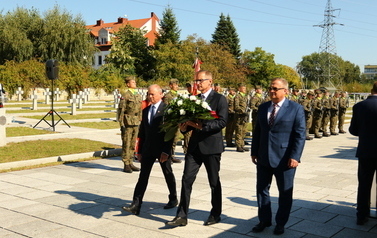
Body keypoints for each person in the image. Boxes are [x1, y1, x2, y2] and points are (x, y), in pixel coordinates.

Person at [166, 70, 228, 227]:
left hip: (211, 147)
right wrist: (184, 126)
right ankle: (181, 215)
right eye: (196, 81)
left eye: (201, 80)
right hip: (194, 148)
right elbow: (189, 124)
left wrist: (202, 126)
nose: (198, 84)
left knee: (214, 181)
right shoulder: (193, 100)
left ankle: (215, 213)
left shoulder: (219, 99)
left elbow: (222, 122)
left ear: (210, 81)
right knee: (186, 180)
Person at [251, 77, 306, 235]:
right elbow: (258, 132)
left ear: (285, 91)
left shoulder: (295, 108)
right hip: (263, 157)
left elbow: (300, 134)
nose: (272, 91)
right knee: (262, 190)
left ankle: (281, 223)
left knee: (285, 192)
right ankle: (264, 220)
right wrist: (254, 151)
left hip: (285, 158)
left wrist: (295, 156)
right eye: (271, 88)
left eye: (275, 88)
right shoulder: (263, 108)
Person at [122, 84, 178, 215]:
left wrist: (166, 151)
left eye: (152, 94)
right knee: (143, 176)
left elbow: (170, 134)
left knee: (167, 173)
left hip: (162, 149)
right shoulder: (146, 110)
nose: (150, 96)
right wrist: (139, 151)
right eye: (148, 94)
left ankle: (173, 198)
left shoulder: (167, 110)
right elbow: (142, 132)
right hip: (148, 149)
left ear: (161, 94)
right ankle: (136, 203)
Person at [349, 82, 377, 225]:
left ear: (372, 90)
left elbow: (353, 130)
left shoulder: (359, 106)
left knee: (364, 184)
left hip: (366, 151)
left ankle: (361, 215)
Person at [118, 78, 141, 173]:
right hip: (127, 122)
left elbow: (140, 110)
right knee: (126, 143)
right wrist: (121, 123)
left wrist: (140, 120)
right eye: (132, 82)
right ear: (128, 84)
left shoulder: (138, 95)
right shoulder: (126, 95)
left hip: (136, 122)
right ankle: (126, 164)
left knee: (132, 143)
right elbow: (121, 110)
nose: (135, 83)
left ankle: (131, 161)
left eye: (135, 82)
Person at [163, 79, 182, 163]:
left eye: (177, 85)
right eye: (175, 85)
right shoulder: (167, 96)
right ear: (170, 86)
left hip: (177, 120)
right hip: (170, 120)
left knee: (175, 138)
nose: (177, 86)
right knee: (169, 139)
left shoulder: (178, 96)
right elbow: (166, 109)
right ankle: (168, 155)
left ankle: (172, 155)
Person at [234, 83, 249, 152]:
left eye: (245, 89)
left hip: (245, 116)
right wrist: (242, 111)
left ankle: (242, 145)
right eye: (243, 88)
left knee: (243, 131)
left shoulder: (245, 96)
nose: (244, 90)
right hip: (239, 116)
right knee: (239, 131)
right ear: (239, 89)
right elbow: (236, 106)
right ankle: (238, 146)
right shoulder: (237, 96)